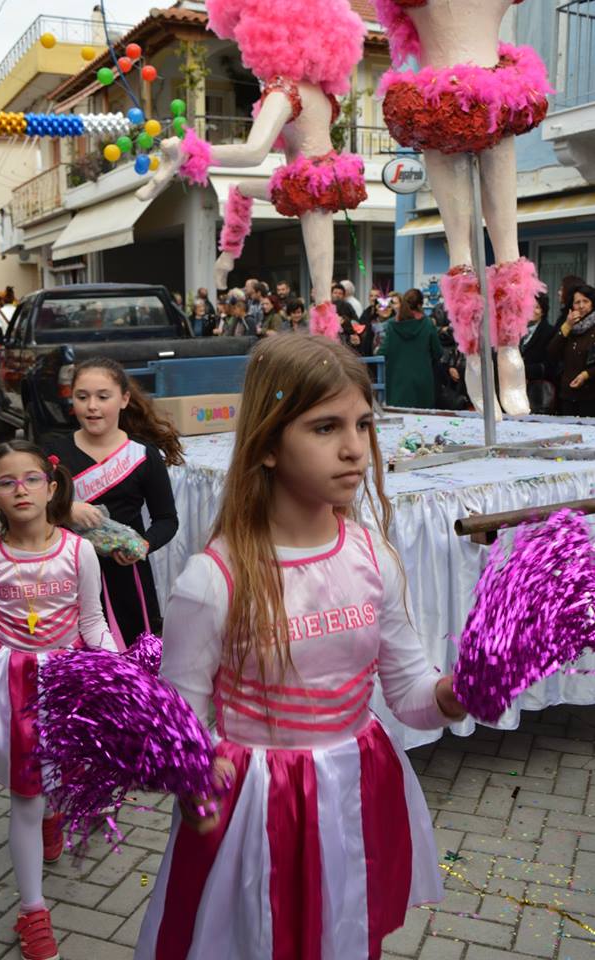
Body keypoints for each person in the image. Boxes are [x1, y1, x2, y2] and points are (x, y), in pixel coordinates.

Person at [134, 335, 466, 960]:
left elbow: (412, 695)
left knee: (343, 935)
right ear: (265, 445)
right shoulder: (215, 579)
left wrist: (460, 691)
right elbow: (178, 726)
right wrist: (193, 778)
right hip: (256, 811)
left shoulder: (372, 555)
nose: (354, 449)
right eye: (324, 427)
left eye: (363, 424)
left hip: (353, 790)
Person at [0, 440, 117, 960]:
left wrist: (119, 674)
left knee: (64, 775)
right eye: (7, 482)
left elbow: (93, 621)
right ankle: (32, 912)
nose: (20, 490)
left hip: (70, 685)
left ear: (52, 487)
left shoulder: (78, 552)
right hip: (14, 690)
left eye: (31, 479)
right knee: (25, 796)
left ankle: (55, 815)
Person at [137, 0, 367, 338]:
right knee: (242, 191)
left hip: (309, 184)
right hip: (319, 175)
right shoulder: (321, 92)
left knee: (321, 289)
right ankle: (227, 258)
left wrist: (194, 151)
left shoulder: (284, 91)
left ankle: (325, 348)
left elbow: (254, 152)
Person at [376, 0, 551, 417]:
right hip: (433, 102)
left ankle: (509, 352)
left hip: (495, 95)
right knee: (461, 250)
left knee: (506, 243)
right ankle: (475, 355)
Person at [46, 357, 181, 648]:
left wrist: (143, 546)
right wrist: (64, 509)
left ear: (124, 399)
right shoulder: (52, 453)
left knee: (130, 663)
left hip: (127, 578)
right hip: (68, 576)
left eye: (102, 397)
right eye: (82, 397)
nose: (91, 406)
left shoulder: (144, 455)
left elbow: (167, 520)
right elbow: (30, 511)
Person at [376, 289, 443, 408]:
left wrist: (376, 350)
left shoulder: (392, 325)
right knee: (423, 421)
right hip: (423, 381)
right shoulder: (427, 324)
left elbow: (383, 352)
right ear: (420, 305)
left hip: (397, 381)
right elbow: (438, 352)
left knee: (400, 421)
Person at [546, 285, 595, 417]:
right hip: (567, 394)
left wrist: (586, 375)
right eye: (577, 302)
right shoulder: (568, 326)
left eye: (585, 301)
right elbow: (552, 352)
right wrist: (567, 326)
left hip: (590, 395)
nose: (581, 306)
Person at [520, 292, 556, 414]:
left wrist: (523, 371)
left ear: (543, 311)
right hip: (517, 390)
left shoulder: (549, 332)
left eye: (537, 307)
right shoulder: (518, 331)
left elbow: (550, 365)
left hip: (538, 393)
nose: (531, 310)